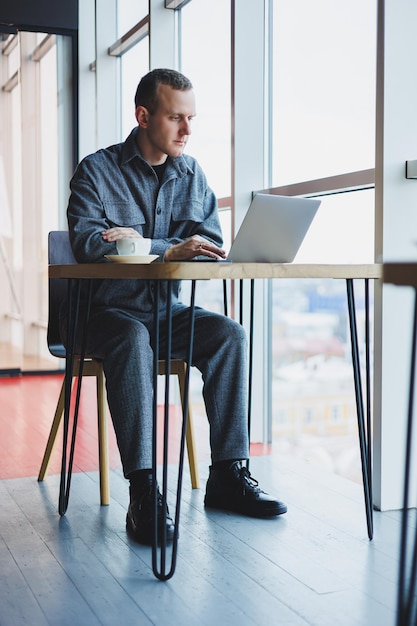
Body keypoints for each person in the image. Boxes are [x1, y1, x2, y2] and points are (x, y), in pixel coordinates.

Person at [64, 68, 287, 546]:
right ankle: (144, 492)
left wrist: (146, 243)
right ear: (144, 117)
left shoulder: (192, 173)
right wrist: (165, 246)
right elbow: (85, 243)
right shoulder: (96, 171)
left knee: (230, 335)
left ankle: (228, 474)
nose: (187, 130)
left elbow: (209, 242)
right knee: (131, 338)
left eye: (191, 118)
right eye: (175, 118)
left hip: (166, 313)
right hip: (106, 316)